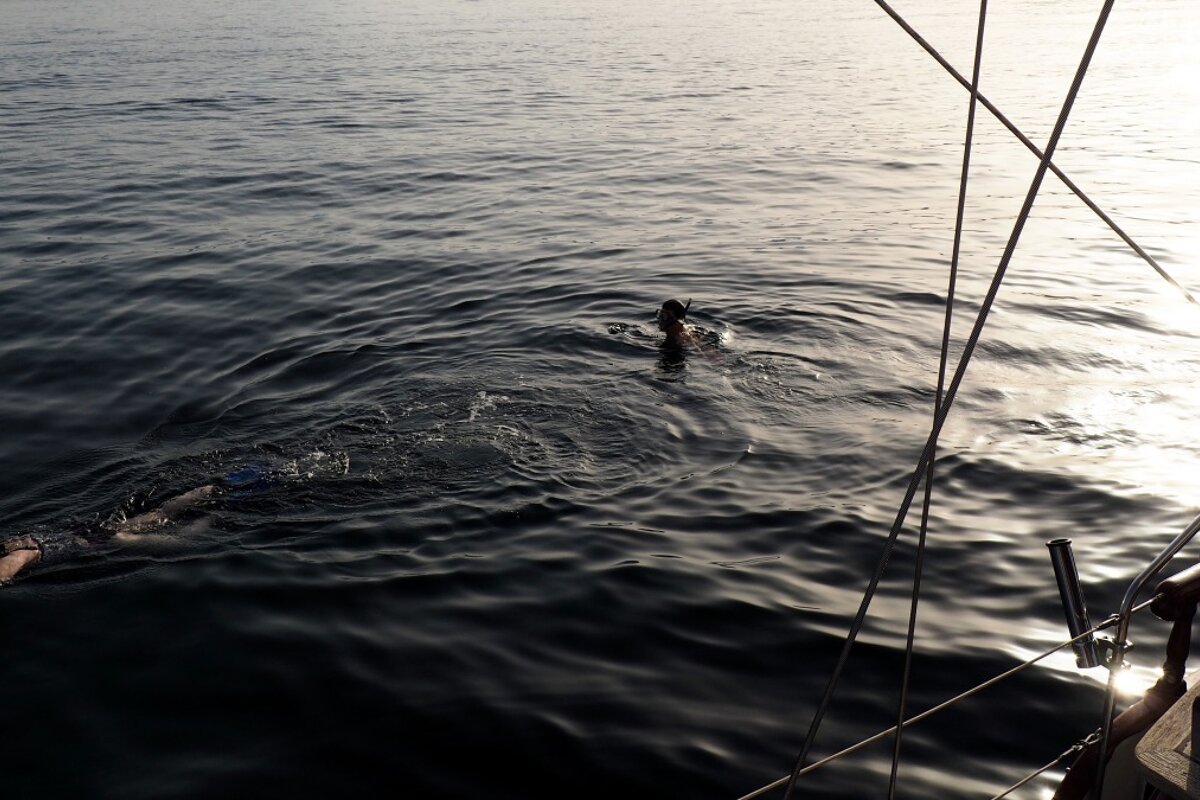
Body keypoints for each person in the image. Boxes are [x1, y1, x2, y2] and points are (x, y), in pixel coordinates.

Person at [0, 483, 220, 585]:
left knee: (177, 543)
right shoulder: (12, 544)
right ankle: (205, 493)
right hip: (90, 531)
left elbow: (19, 557)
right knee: (156, 516)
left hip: (98, 540)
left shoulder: (19, 551)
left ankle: (211, 515)